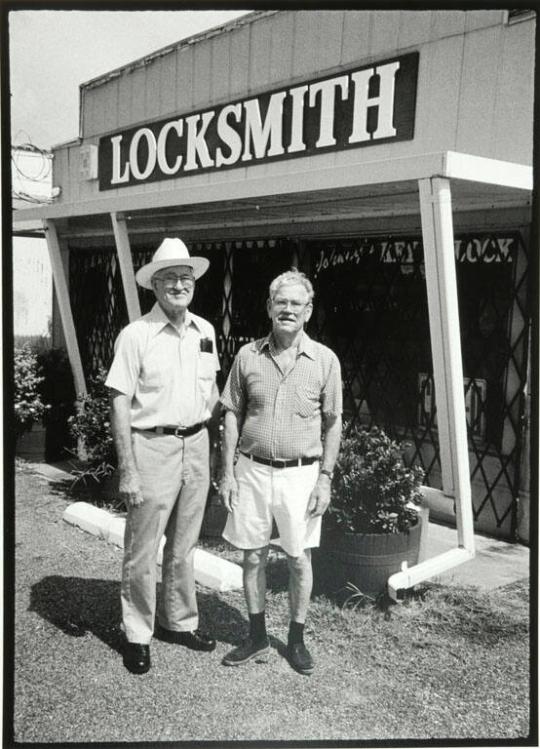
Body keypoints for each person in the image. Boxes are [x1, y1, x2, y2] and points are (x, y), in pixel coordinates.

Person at [218, 269, 342, 675]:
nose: (288, 310)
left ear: (308, 311)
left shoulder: (325, 360)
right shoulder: (247, 356)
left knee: (298, 559)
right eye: (281, 302)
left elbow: (333, 422)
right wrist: (228, 471)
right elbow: (231, 412)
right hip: (251, 470)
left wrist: (325, 477)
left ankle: (296, 640)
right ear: (270, 307)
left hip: (300, 476)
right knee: (252, 556)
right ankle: (255, 636)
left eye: (296, 304)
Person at [105, 237, 220, 674]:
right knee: (142, 547)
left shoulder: (205, 331)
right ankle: (137, 632)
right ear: (154, 284)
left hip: (196, 446)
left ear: (194, 283)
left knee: (185, 545)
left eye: (185, 277)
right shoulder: (137, 335)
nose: (178, 284)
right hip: (150, 446)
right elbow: (119, 401)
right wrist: (128, 467)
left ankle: (179, 621)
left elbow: (210, 391)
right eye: (169, 277)